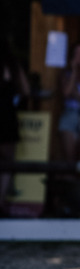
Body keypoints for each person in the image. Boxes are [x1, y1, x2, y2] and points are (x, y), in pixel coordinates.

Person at [0, 43, 30, 215]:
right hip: (6, 116)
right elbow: (25, 90)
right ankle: (1, 201)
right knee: (7, 161)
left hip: (6, 117)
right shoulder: (12, 65)